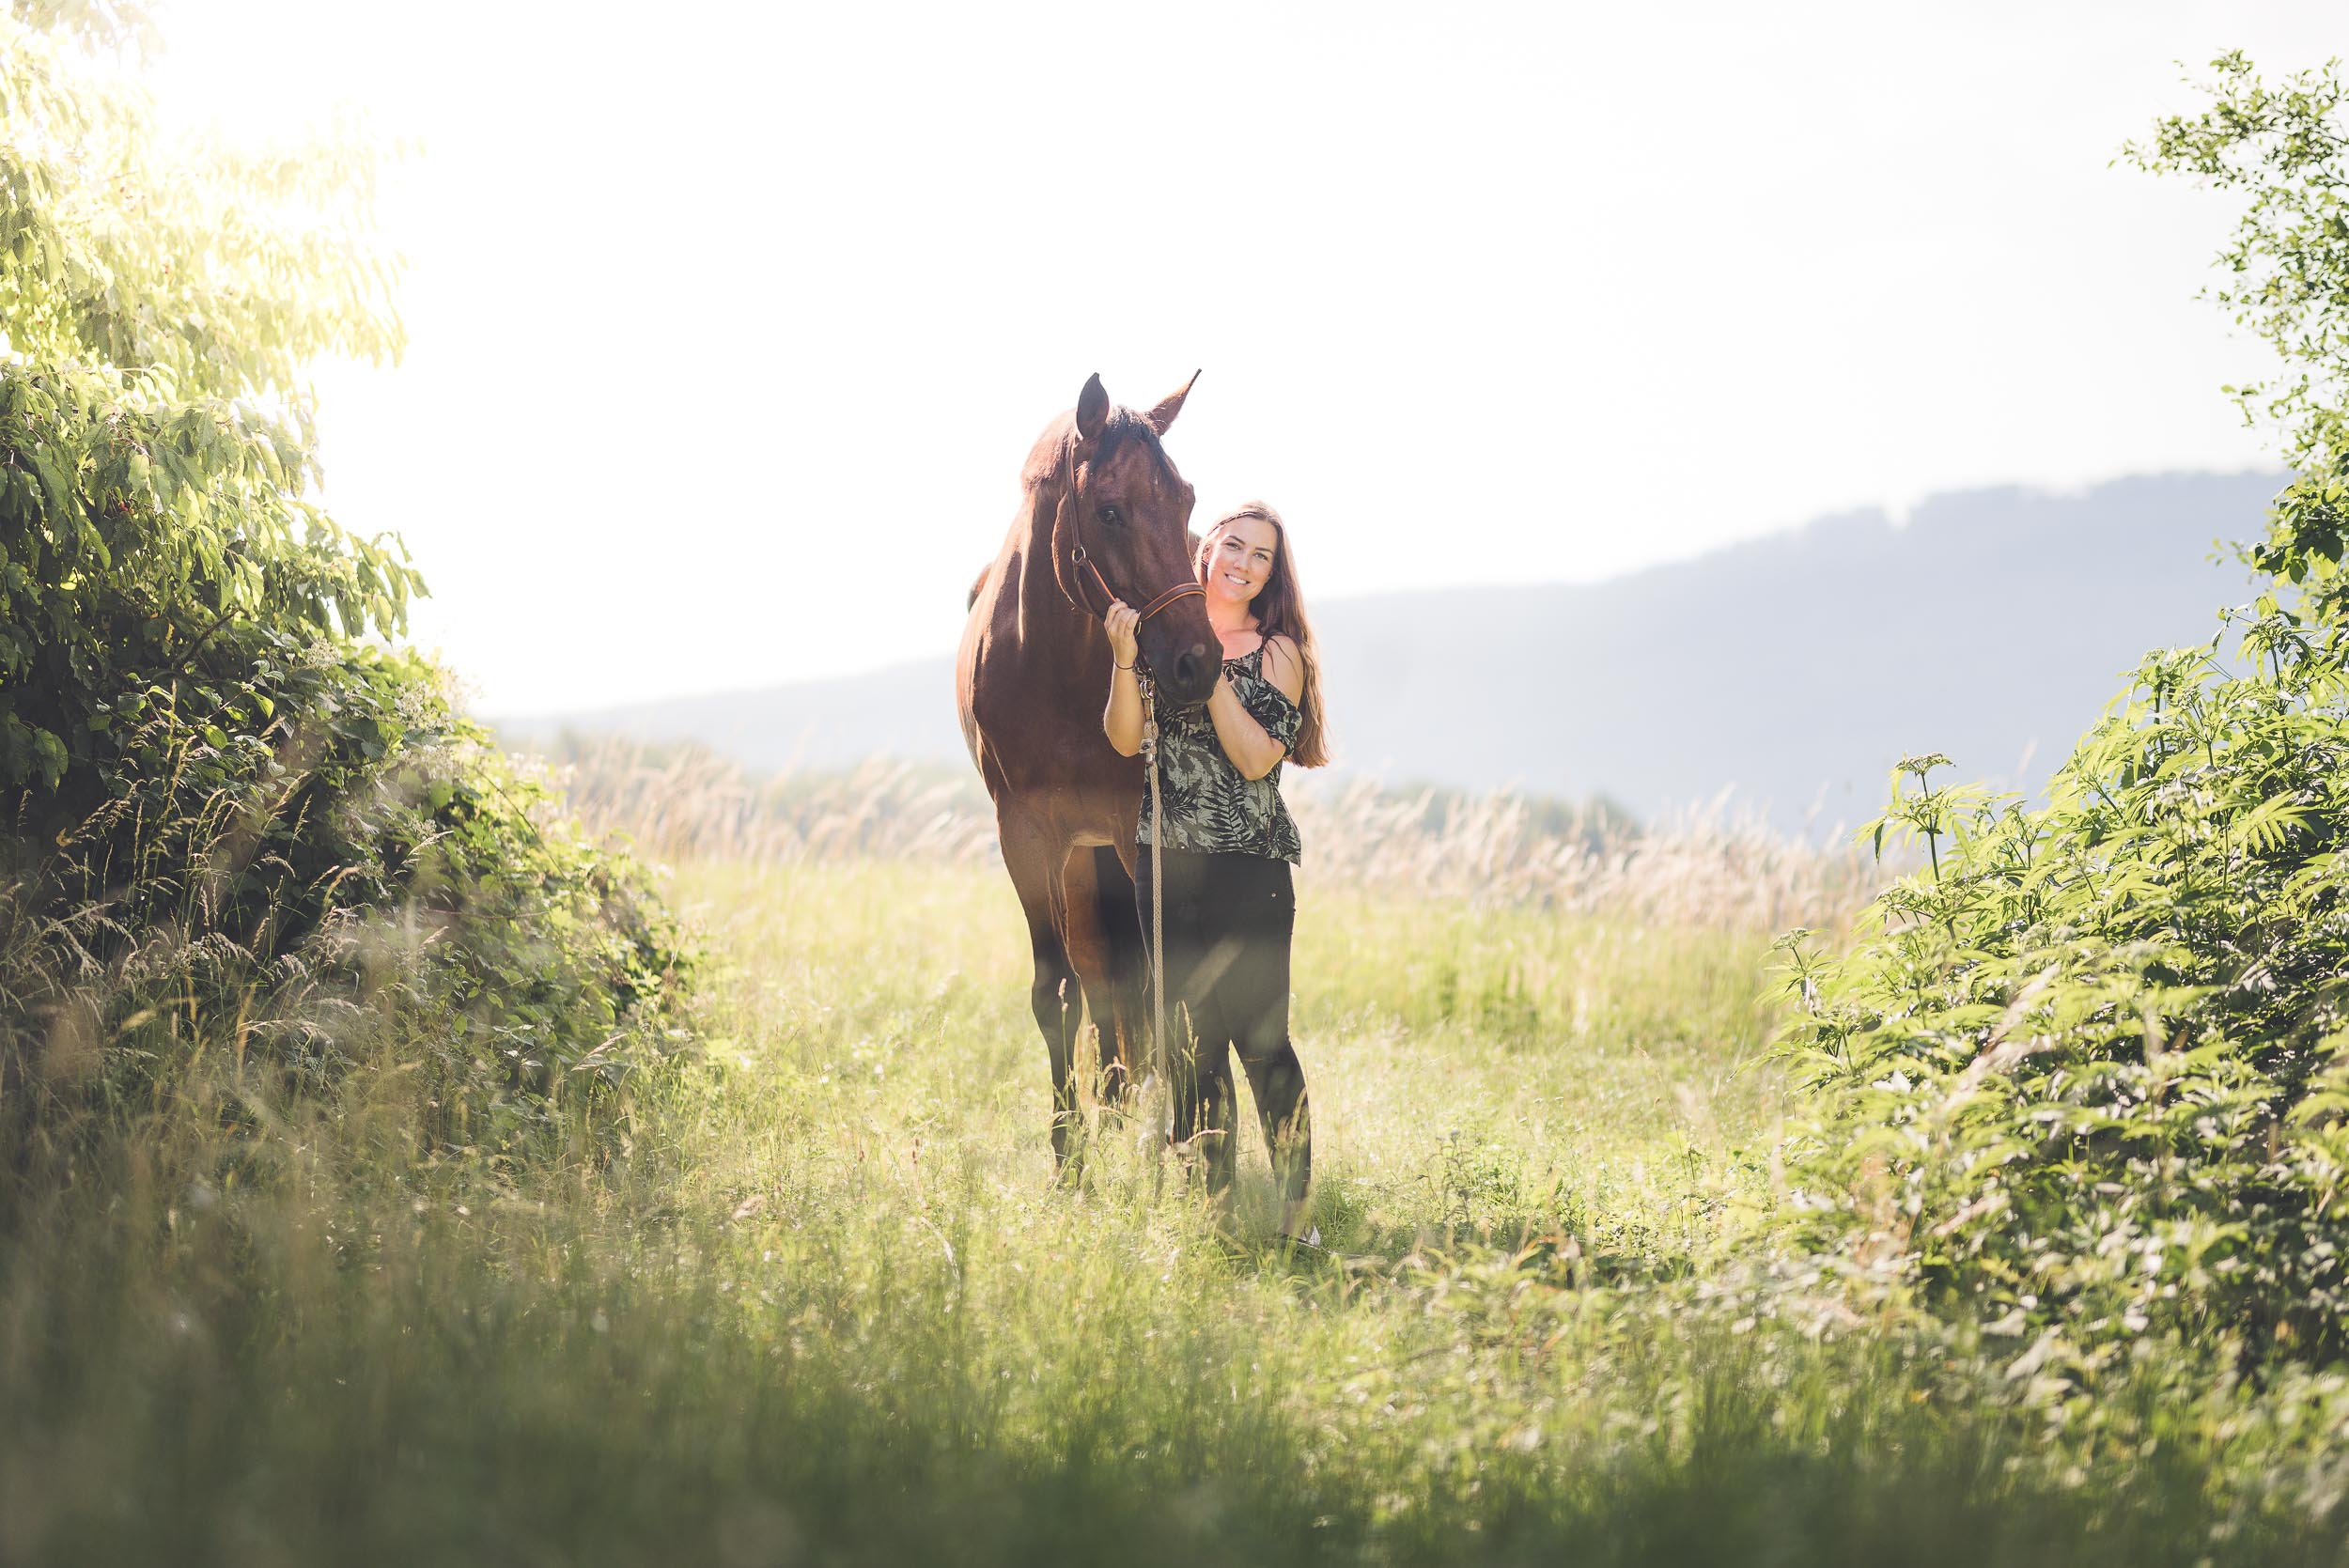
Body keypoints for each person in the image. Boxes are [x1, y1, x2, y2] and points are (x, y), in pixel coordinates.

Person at [1102, 501, 1330, 1235]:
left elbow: (1257, 757)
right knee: (1187, 1047)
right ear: (1206, 552)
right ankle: (1215, 1215)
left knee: (1261, 1043)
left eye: (1261, 555)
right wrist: (1127, 660)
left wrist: (1211, 668)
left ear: (1271, 573)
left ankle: (1299, 1213)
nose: (1244, 562)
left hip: (1250, 872)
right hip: (1163, 868)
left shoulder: (1280, 652)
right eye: (1234, 545)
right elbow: (1122, 739)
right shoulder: (1167, 633)